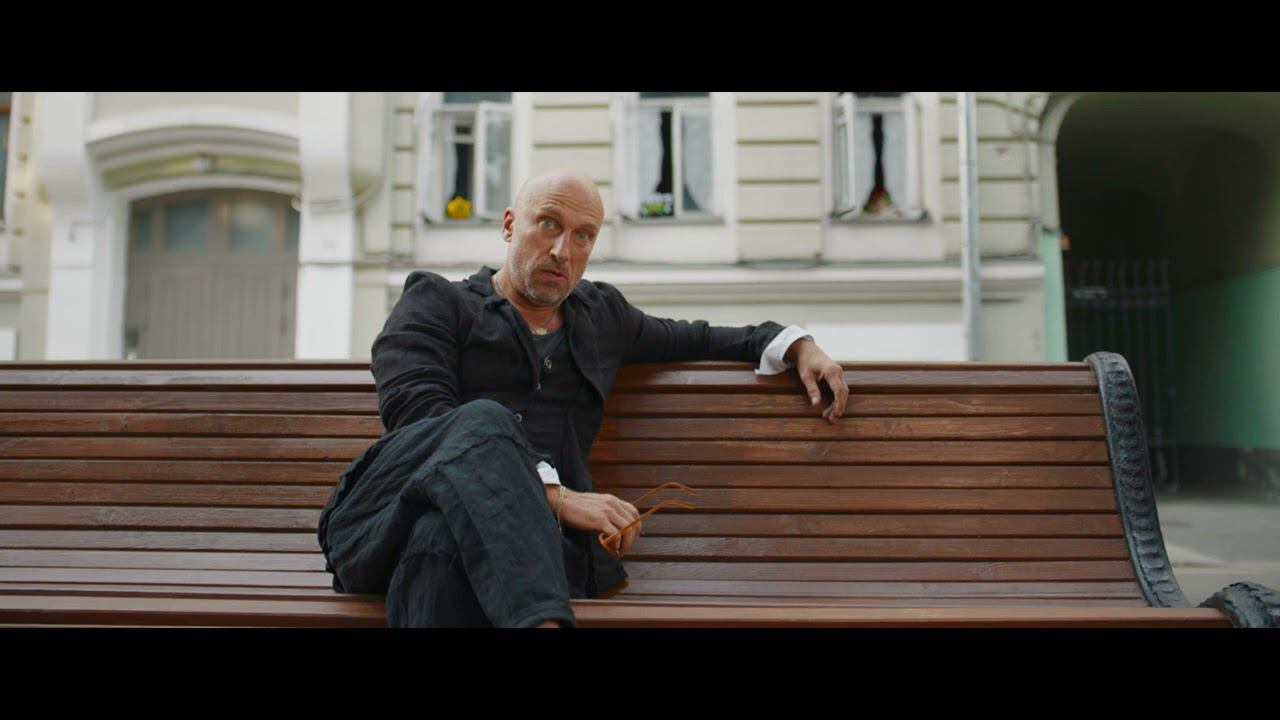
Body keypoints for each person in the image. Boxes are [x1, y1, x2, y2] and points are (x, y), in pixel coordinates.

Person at [318, 168, 849, 628]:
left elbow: (699, 337)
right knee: (482, 423)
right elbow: (418, 415)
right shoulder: (436, 303)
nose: (562, 251)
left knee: (441, 538)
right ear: (509, 225)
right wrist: (557, 497)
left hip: (519, 552)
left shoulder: (600, 317)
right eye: (548, 224)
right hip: (384, 524)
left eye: (583, 235)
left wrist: (794, 344)